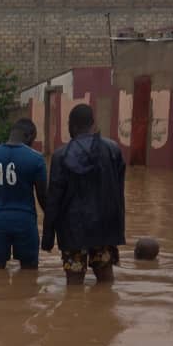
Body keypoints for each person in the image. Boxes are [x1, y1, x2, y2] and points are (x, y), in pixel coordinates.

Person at [41, 103, 126, 285]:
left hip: (72, 231)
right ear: (93, 124)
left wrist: (48, 237)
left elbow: (53, 200)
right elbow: (119, 194)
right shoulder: (113, 150)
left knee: (74, 282)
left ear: (71, 126)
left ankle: (74, 305)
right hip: (105, 228)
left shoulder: (60, 156)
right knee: (105, 280)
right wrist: (118, 231)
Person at [0, 118, 47, 270]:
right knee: (29, 272)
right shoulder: (37, 159)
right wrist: (51, 221)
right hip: (26, 221)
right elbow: (42, 197)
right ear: (29, 136)